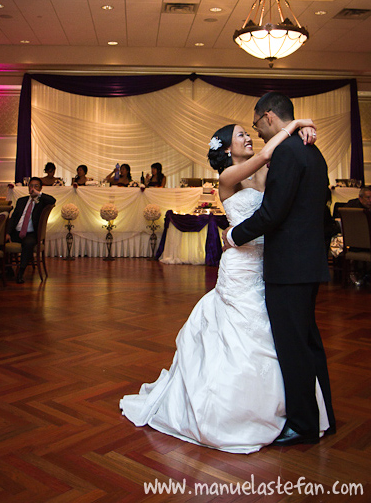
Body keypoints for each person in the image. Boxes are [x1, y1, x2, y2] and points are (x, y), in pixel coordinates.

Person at [120, 114, 329, 454]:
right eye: (240, 136)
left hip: (271, 264)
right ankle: (234, 413)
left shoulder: (270, 167)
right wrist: (293, 126)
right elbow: (265, 155)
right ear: (226, 148)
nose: (248, 138)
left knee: (278, 337)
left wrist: (304, 132)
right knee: (241, 334)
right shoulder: (228, 177)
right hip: (241, 267)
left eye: (249, 133)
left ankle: (288, 409)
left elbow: (281, 181)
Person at [225, 92, 336, 446]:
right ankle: (324, 416)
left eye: (256, 125)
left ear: (269, 117)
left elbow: (273, 213)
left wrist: (234, 235)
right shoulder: (312, 151)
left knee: (293, 348)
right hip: (309, 262)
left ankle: (303, 425)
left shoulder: (287, 153)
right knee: (309, 343)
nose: (257, 133)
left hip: (288, 266)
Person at [7, 177, 56, 283]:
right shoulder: (21, 201)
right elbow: (14, 218)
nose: (32, 189)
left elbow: (53, 200)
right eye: (31, 186)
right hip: (17, 232)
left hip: (31, 234)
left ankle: (21, 272)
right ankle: (6, 270)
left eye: (36, 186)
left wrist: (39, 194)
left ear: (40, 188)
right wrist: (7, 233)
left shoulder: (42, 202)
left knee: (28, 243)